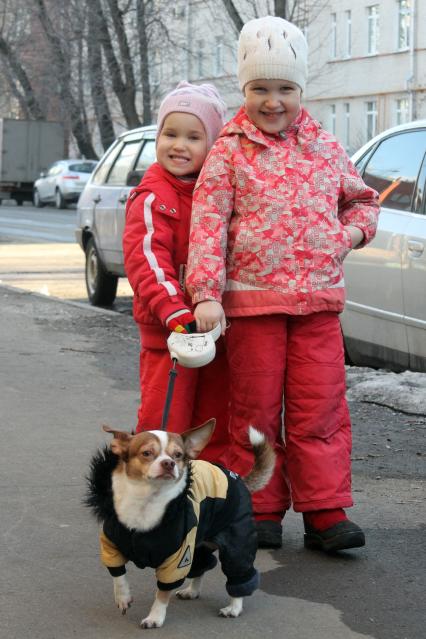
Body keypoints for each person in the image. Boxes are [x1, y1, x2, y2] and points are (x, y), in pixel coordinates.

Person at [186, 16, 380, 549]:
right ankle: (259, 510)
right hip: (253, 305)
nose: (274, 102)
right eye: (260, 89)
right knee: (254, 411)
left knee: (320, 408)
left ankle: (325, 512)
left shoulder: (324, 145)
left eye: (285, 89)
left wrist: (346, 237)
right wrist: (206, 294)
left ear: (301, 90)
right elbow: (206, 226)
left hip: (318, 302)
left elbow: (363, 199)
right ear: (243, 89)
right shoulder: (228, 151)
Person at [123, 81, 230, 464]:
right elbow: (146, 262)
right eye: (170, 134)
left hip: (213, 331)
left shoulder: (218, 193)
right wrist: (175, 313)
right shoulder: (153, 196)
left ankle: (205, 497)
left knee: (213, 422)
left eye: (193, 136)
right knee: (164, 420)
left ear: (213, 144)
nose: (179, 145)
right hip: (169, 333)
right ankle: (149, 505)